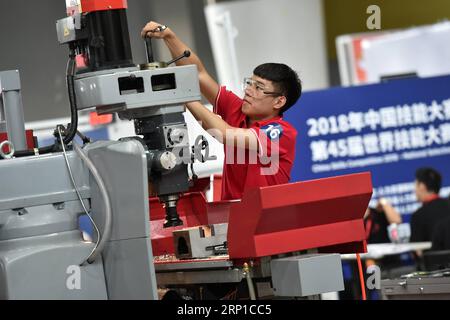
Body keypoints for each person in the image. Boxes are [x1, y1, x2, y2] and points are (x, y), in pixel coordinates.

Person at [141, 22, 302, 200]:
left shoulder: (281, 133)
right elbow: (198, 74)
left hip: (268, 221)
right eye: (249, 82)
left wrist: (183, 95)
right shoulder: (239, 109)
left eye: (259, 87)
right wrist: (169, 36)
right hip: (231, 216)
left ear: (279, 101)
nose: (248, 90)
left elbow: (225, 134)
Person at [410, 167, 450, 242]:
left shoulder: (418, 216)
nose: (414, 190)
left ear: (422, 186)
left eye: (415, 185)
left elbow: (416, 250)